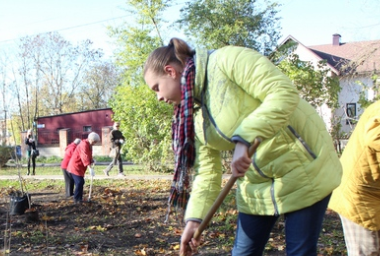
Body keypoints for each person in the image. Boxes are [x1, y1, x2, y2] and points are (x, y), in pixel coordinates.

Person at [143, 38, 342, 256]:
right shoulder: (193, 113)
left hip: (304, 169)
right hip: (256, 185)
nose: (159, 97)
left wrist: (243, 139)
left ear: (170, 71)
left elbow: (282, 92)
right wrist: (194, 219)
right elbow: (207, 172)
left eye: (156, 88)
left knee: (299, 252)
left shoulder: (227, 60)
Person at [328, 92, 380, 255]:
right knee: (367, 251)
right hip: (359, 195)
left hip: (375, 200)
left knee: (373, 249)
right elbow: (375, 135)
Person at [66, 132, 100, 204]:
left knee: (81, 182)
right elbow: (85, 156)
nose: (94, 143)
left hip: (80, 167)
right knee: (79, 182)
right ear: (90, 139)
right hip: (75, 166)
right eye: (94, 142)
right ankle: (77, 200)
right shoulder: (84, 144)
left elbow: (88, 155)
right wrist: (90, 168)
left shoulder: (89, 145)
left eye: (95, 142)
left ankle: (79, 199)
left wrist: (92, 160)